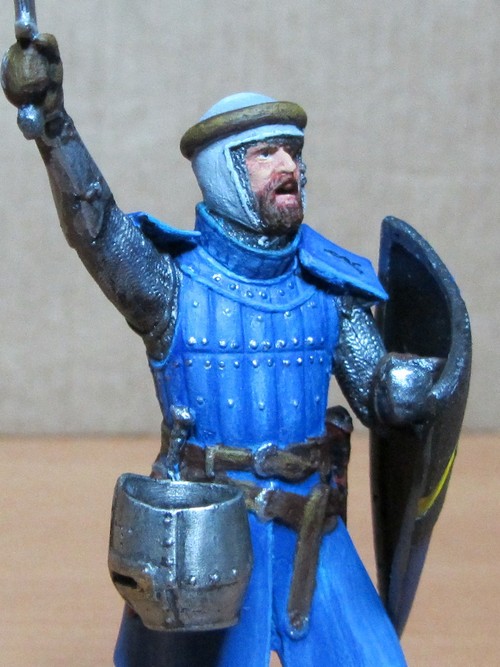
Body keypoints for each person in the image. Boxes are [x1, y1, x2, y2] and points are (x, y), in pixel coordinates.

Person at [2, 32, 445, 667]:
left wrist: (402, 388)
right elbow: (95, 226)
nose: (288, 166)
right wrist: (54, 124)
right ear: (223, 171)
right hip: (202, 544)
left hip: (313, 536)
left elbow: (375, 391)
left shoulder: (330, 287)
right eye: (265, 154)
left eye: (293, 151)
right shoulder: (171, 287)